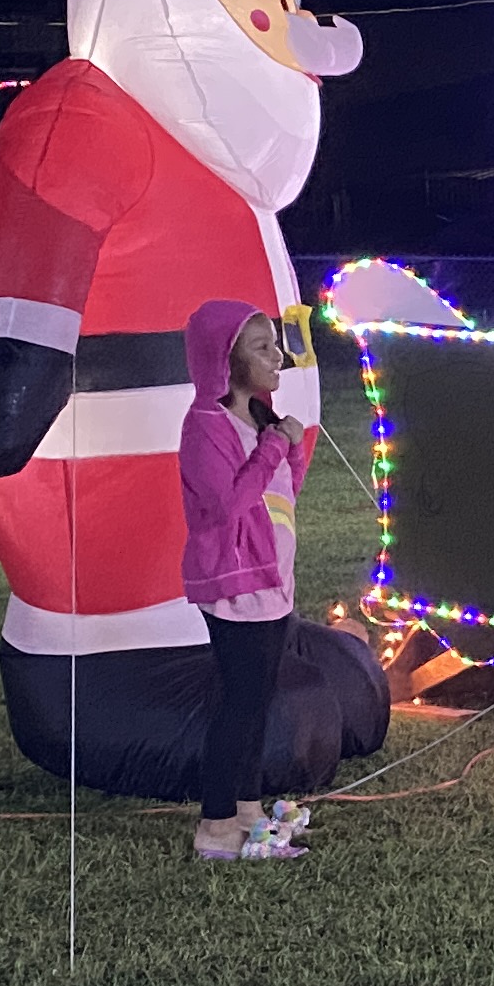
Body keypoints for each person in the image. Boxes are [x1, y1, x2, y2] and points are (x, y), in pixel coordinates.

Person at [179, 297, 312, 861]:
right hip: (234, 585)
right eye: (261, 347)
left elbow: (282, 490)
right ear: (226, 361)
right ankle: (215, 828)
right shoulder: (205, 425)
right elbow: (231, 503)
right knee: (239, 704)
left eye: (274, 343)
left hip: (271, 580)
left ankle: (249, 809)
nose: (277, 355)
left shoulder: (259, 420)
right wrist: (277, 443)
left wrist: (291, 446)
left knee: (259, 701)